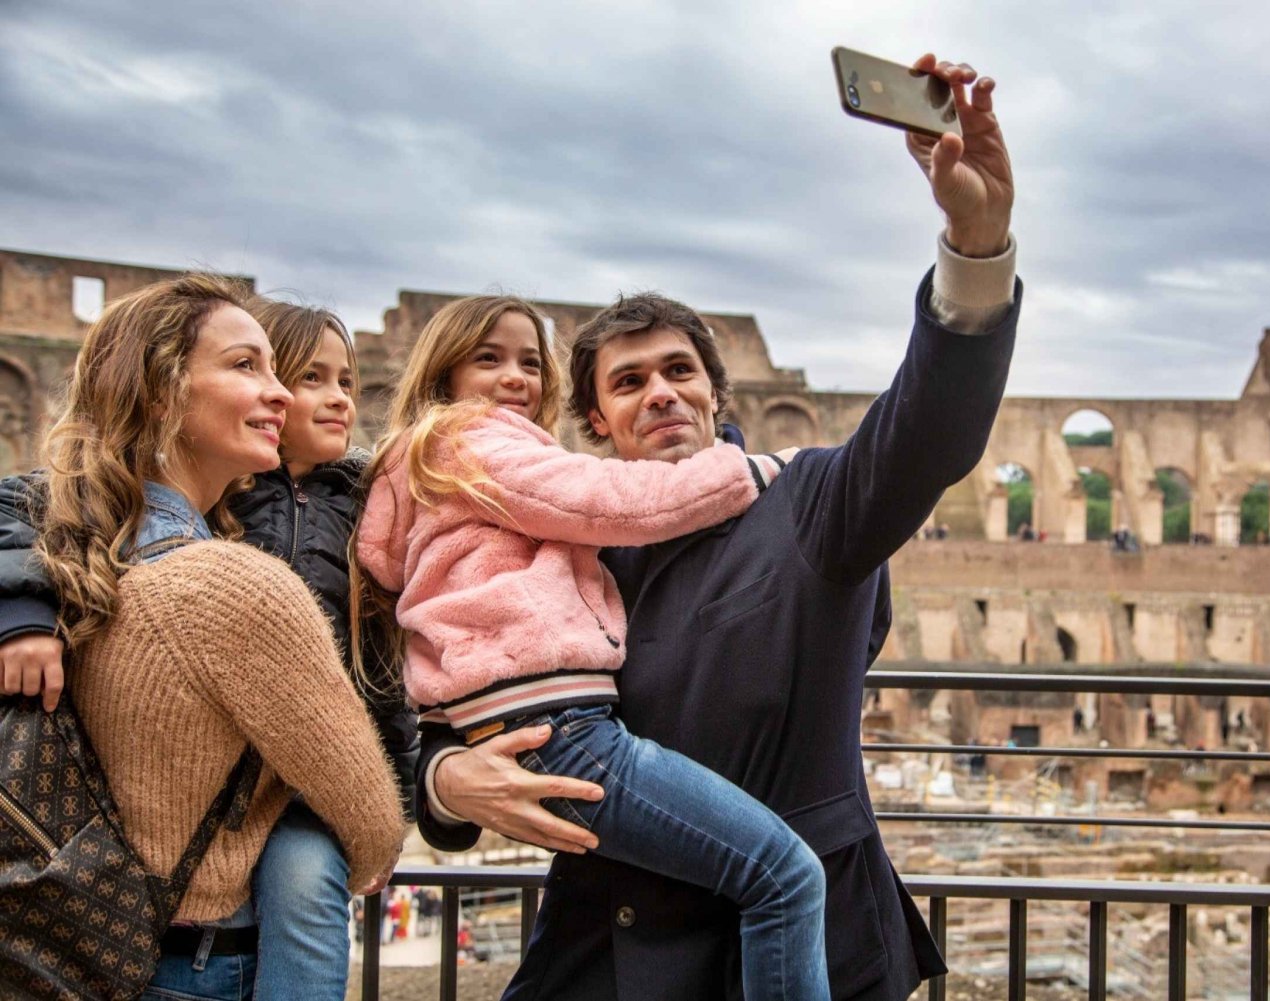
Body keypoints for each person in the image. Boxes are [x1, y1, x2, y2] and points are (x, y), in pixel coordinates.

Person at [418, 53, 1019, 1000]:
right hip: (606, 939)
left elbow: (932, 426)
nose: (659, 393)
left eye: (677, 371)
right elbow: (442, 685)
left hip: (784, 944)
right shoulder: (552, 540)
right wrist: (446, 781)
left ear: (714, 390)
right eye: (628, 382)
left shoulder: (810, 499)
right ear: (596, 424)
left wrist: (976, 244)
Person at [354, 294, 828, 1000]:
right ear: (443, 378)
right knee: (784, 875)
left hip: (517, 721)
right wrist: (757, 470)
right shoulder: (474, 443)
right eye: (488, 359)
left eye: (528, 361)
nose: (515, 377)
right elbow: (611, 500)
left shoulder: (428, 470)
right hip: (562, 723)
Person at [0, 297, 419, 1001]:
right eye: (246, 365)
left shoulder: (80, 549)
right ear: (164, 393)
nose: (282, 392)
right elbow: (372, 821)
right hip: (200, 963)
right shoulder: (236, 585)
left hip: (78, 943)